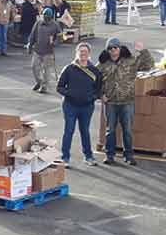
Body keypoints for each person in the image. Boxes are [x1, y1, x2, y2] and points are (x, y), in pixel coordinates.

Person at [97, 37, 153, 166]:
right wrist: (100, 95)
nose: (113, 51)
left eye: (115, 48)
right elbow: (95, 81)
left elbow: (148, 65)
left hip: (127, 102)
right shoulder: (102, 64)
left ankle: (128, 155)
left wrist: (143, 51)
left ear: (120, 48)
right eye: (110, 48)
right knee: (110, 130)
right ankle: (109, 155)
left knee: (127, 130)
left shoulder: (131, 61)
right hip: (110, 102)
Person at [56, 43, 102, 166]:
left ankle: (88, 157)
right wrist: (71, 93)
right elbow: (59, 87)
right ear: (77, 53)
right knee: (69, 130)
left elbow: (98, 89)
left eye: (85, 52)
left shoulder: (94, 71)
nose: (83, 54)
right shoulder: (69, 68)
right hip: (70, 105)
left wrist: (92, 97)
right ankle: (65, 158)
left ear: (89, 54)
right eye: (81, 52)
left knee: (85, 131)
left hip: (87, 107)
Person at [28, 7, 61, 93]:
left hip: (48, 51)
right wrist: (30, 45)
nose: (45, 18)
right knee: (34, 67)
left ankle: (44, 86)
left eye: (47, 16)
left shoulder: (55, 25)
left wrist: (54, 42)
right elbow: (33, 34)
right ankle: (39, 82)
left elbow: (60, 36)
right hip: (37, 49)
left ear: (51, 17)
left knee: (46, 70)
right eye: (44, 16)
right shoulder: (38, 23)